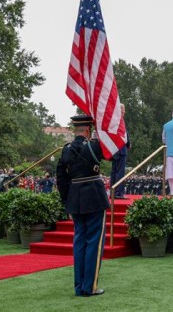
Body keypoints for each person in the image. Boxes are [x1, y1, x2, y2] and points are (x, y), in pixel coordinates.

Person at [56, 115, 110, 297]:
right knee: (94, 243)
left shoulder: (65, 150)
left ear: (75, 129)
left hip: (75, 199)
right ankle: (90, 287)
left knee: (79, 242)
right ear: (88, 129)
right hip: (94, 197)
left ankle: (79, 287)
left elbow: (61, 180)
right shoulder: (95, 146)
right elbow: (114, 151)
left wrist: (67, 202)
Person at [110, 103, 130, 199]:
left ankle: (113, 192)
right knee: (120, 172)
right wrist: (128, 144)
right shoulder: (120, 121)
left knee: (114, 171)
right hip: (121, 149)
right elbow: (125, 135)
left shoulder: (113, 120)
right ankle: (118, 193)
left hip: (114, 150)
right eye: (123, 110)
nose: (124, 112)